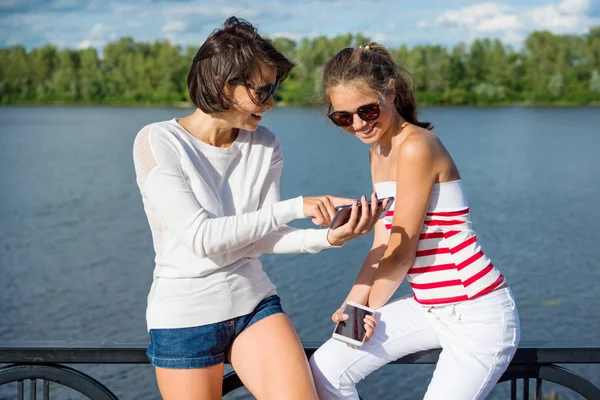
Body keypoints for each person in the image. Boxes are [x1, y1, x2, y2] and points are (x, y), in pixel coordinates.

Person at [132, 18, 386, 400]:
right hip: (186, 317)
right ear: (223, 86)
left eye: (274, 89)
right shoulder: (156, 141)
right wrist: (296, 206)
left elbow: (262, 237)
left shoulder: (265, 143)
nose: (271, 103)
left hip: (254, 304)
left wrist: (329, 238)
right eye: (262, 90)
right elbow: (202, 239)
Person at [309, 43, 520, 400]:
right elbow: (381, 242)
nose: (359, 124)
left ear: (389, 92)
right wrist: (353, 304)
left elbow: (402, 250)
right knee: (326, 369)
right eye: (343, 117)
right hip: (429, 306)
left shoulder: (417, 146)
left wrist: (366, 309)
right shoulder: (379, 152)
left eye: (368, 110)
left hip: (476, 312)